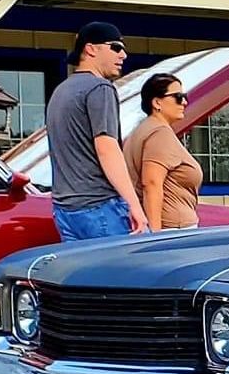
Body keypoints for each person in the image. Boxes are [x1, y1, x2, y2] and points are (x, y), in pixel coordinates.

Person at [46, 21, 149, 240]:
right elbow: (107, 149)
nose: (123, 55)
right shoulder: (100, 88)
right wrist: (134, 205)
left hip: (65, 210)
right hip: (101, 207)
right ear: (90, 49)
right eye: (116, 47)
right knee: (132, 262)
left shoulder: (61, 91)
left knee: (82, 265)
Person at [124, 73, 203, 231]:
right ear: (157, 102)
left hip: (169, 227)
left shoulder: (142, 130)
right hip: (173, 229)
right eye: (178, 97)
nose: (184, 102)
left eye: (184, 96)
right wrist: (156, 236)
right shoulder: (159, 133)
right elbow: (151, 184)